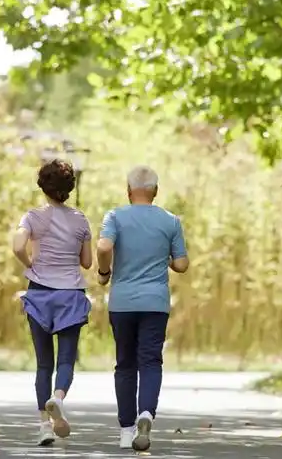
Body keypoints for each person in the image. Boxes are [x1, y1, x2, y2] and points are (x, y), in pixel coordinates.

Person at [96, 165, 189, 451]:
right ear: (155, 191)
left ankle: (126, 430)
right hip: (155, 303)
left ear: (128, 190)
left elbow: (103, 247)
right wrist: (168, 260)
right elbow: (182, 264)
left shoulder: (115, 216)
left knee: (125, 364)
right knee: (150, 361)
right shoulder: (170, 221)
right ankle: (146, 413)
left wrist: (104, 273)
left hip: (123, 302)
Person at [11, 159, 93, 447]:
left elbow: (17, 245)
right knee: (67, 358)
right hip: (70, 293)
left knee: (44, 363)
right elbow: (87, 262)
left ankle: (45, 426)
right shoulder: (81, 220)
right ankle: (57, 398)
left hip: (40, 293)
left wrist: (30, 262)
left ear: (42, 186)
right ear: (69, 188)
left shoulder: (32, 217)